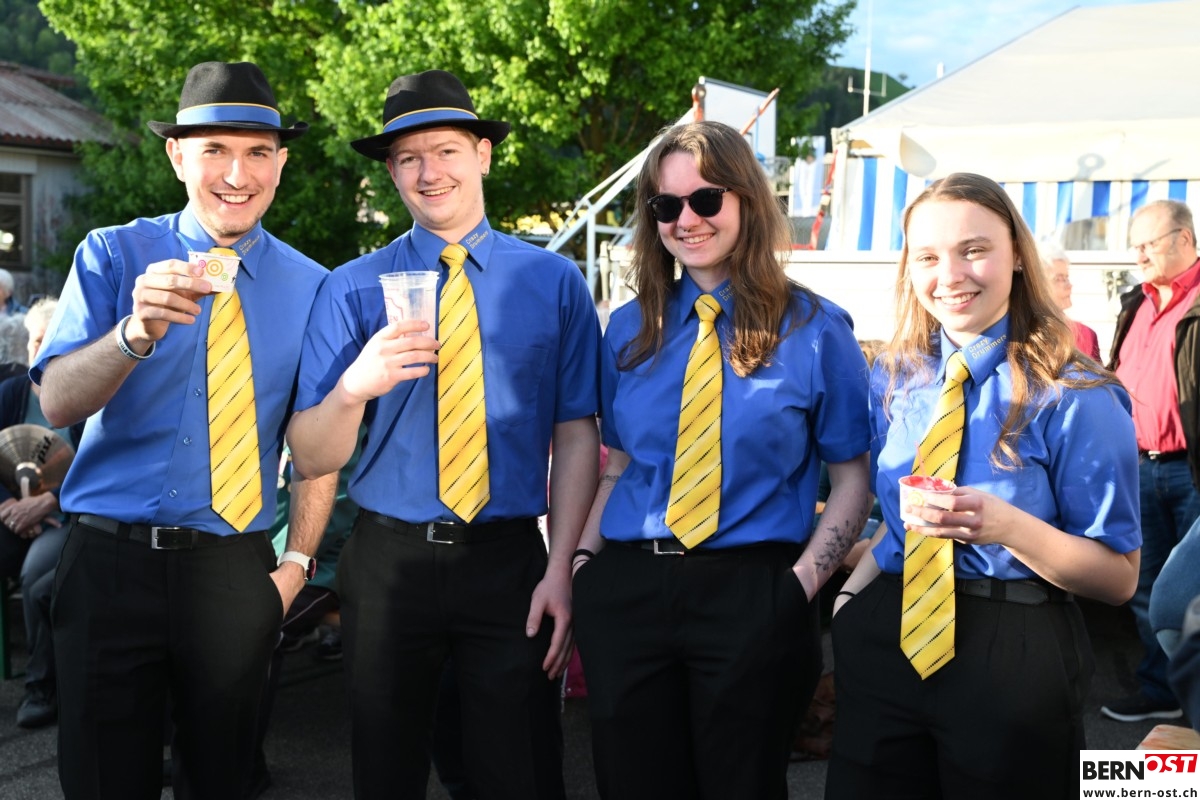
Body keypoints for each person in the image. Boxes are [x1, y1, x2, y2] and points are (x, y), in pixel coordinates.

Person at [286, 69, 600, 800]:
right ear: (391, 171)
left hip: (509, 562)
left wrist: (562, 568)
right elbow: (309, 452)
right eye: (408, 158)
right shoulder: (351, 286)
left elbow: (577, 434)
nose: (429, 173)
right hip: (388, 564)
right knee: (386, 773)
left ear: (483, 154)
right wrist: (353, 387)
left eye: (447, 150)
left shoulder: (554, 282)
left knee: (519, 773)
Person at [31, 61, 336, 800]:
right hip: (109, 565)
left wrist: (296, 565)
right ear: (176, 156)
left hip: (233, 570)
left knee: (224, 782)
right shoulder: (112, 253)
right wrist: (131, 334)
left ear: (281, 163)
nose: (237, 174)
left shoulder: (313, 286)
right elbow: (57, 403)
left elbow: (316, 452)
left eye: (258, 152)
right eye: (214, 150)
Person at [571, 120, 873, 800]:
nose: (687, 220)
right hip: (628, 591)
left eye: (706, 199)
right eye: (666, 205)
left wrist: (796, 589)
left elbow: (853, 480)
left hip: (754, 592)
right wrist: (584, 566)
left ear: (747, 201)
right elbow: (619, 464)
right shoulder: (629, 328)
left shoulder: (816, 329)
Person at [826, 172, 1140, 799]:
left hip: (1015, 644)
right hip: (889, 632)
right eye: (928, 257)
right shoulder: (896, 376)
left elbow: (1119, 578)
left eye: (973, 250)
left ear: (1017, 256)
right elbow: (898, 517)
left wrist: (1004, 526)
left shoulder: (1077, 394)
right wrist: (851, 603)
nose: (950, 275)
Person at [1103, 198, 1200, 723]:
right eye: (1135, 245)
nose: (1138, 255)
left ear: (1184, 239)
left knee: (1192, 590)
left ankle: (1194, 699)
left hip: (1191, 470)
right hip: (1139, 466)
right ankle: (1162, 688)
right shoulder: (1135, 303)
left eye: (1149, 244)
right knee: (1146, 585)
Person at [0, 298, 82, 728]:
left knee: (36, 576)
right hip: (11, 513)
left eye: (52, 340)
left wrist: (47, 502)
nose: (42, 348)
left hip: (63, 515)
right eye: (35, 340)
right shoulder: (11, 393)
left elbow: (96, 466)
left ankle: (41, 688)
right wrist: (8, 504)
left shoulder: (86, 396)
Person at [1038, 239, 1101, 360]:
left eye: (1066, 278)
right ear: (1037, 285)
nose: (1069, 285)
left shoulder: (1085, 335)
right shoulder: (1021, 335)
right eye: (1059, 279)